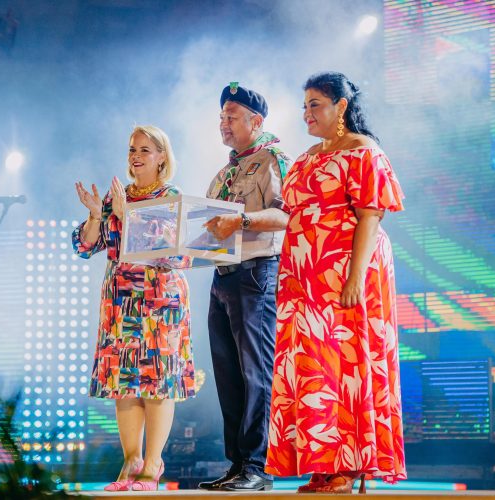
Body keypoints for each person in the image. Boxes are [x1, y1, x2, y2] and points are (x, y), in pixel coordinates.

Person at [265, 71, 407, 493]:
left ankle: (348, 465)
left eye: (315, 104)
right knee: (312, 370)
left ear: (340, 107)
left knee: (344, 364)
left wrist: (355, 277)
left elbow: (370, 215)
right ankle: (324, 463)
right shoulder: (308, 156)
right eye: (304, 105)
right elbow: (292, 214)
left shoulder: (364, 152)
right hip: (304, 279)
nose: (306, 112)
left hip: (345, 271)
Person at [72, 125, 195, 492]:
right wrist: (97, 215)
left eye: (144, 149)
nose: (136, 156)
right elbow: (84, 247)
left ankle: (152, 464)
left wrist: (127, 218)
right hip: (120, 302)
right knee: (123, 384)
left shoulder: (171, 198)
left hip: (159, 303)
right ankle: (131, 460)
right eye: (131, 149)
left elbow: (177, 253)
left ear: (161, 157)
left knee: (156, 383)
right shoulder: (116, 197)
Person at [199, 83, 292, 492]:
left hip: (256, 273)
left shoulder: (273, 160)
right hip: (222, 276)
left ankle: (257, 465)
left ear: (256, 121)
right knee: (228, 374)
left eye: (232, 115)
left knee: (256, 371)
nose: (223, 123)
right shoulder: (225, 171)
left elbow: (287, 215)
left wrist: (243, 221)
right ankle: (238, 465)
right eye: (221, 115)